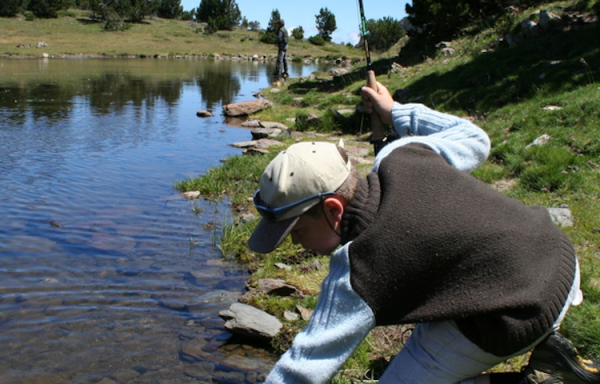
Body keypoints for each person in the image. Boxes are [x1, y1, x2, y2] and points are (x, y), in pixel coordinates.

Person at [247, 80, 600, 384]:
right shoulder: (402, 154)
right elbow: (474, 137)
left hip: (521, 310)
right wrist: (395, 111)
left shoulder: (358, 272)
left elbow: (303, 367)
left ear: (332, 211)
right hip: (559, 254)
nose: (292, 241)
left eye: (295, 229)